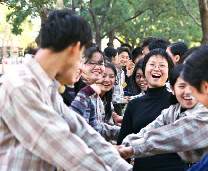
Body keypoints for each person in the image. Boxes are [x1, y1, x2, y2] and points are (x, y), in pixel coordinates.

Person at [0, 9, 132, 170]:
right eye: (82, 57)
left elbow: (83, 133)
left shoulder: (46, 88)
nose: (81, 66)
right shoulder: (21, 86)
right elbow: (65, 147)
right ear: (74, 49)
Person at [117, 64, 208, 170]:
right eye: (182, 86)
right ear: (172, 89)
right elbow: (148, 131)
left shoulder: (207, 112)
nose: (188, 92)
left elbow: (170, 136)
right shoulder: (173, 110)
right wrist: (124, 146)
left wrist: (133, 149)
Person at [117, 49, 185, 171]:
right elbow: (123, 145)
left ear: (169, 71)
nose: (156, 69)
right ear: (144, 69)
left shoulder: (178, 101)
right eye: (152, 64)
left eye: (162, 66)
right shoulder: (134, 105)